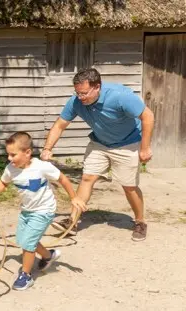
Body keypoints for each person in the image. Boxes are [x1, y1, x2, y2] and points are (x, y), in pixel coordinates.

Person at [41, 68, 154, 241]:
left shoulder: (120, 96)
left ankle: (140, 222)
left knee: (129, 185)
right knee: (87, 178)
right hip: (99, 143)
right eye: (77, 93)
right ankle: (72, 221)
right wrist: (47, 148)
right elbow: (60, 125)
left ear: (97, 87)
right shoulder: (76, 101)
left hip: (127, 143)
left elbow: (148, 116)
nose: (80, 97)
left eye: (84, 93)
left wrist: (145, 148)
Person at [0, 132, 86, 290]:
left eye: (13, 154)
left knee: (28, 244)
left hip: (44, 210)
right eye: (8, 155)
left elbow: (63, 179)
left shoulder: (41, 166)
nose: (10, 158)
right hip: (27, 210)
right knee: (23, 239)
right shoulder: (11, 169)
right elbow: (3, 182)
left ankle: (26, 275)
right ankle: (48, 256)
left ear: (27, 152)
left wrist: (74, 198)